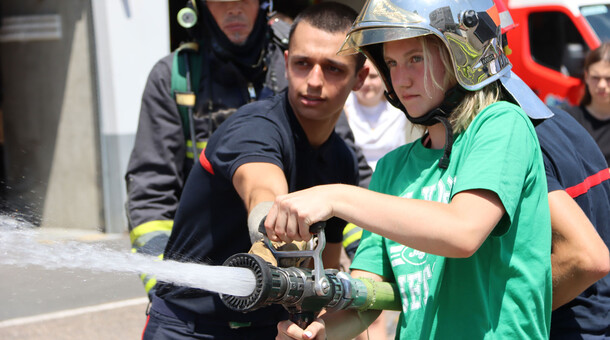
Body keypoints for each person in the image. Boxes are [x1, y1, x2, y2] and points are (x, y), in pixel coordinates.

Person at [264, 0, 555, 338]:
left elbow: (464, 232)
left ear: (459, 56)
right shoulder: (392, 167)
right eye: (391, 63)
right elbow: (367, 295)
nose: (400, 79)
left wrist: (335, 196)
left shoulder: (502, 124)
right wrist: (321, 332)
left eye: (415, 59)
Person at [141, 3, 368, 339]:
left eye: (333, 68)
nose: (314, 81)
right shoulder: (255, 126)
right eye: (303, 64)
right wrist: (272, 230)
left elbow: (327, 271)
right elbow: (262, 188)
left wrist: (317, 323)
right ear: (287, 60)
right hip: (188, 328)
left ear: (359, 78)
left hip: (270, 330)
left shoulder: (341, 161)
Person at [536, 107, 610, 339]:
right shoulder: (559, 117)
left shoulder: (516, 139)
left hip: (568, 327)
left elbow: (586, 258)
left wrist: (508, 310)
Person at [344, 59, 419, 171]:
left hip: (393, 172)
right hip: (357, 174)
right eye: (362, 77)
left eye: (373, 76)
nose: (366, 83)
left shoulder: (401, 105)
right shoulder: (344, 106)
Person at [565, 42, 610, 165]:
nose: (601, 85)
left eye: (608, 79)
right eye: (596, 77)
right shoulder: (568, 119)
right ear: (586, 77)